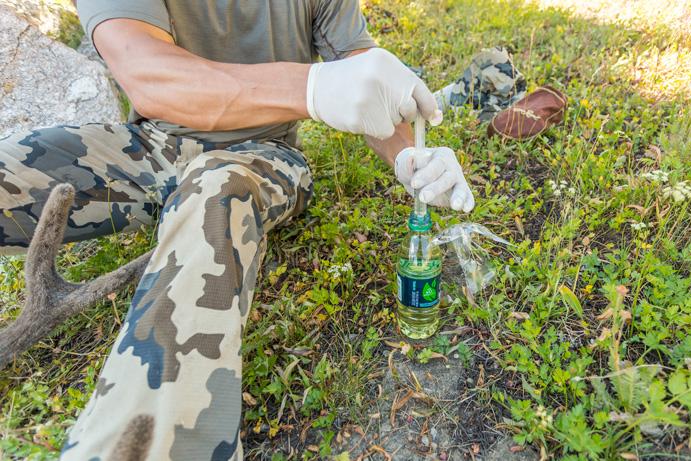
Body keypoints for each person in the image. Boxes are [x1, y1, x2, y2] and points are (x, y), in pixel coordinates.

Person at [0, 1, 475, 459]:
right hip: (153, 142)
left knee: (217, 193)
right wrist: (311, 87)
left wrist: (408, 157)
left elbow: (362, 72)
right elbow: (145, 69)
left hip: (262, 154)